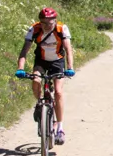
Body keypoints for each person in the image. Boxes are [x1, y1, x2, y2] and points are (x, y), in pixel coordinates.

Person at [15, 7, 75, 144]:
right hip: (41, 61)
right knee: (36, 80)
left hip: (57, 62)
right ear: (39, 22)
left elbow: (68, 50)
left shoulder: (61, 29)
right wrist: (20, 68)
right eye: (43, 23)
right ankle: (39, 104)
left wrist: (70, 67)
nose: (47, 26)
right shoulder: (34, 29)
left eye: (50, 23)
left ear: (55, 21)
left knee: (58, 92)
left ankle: (60, 128)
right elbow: (24, 51)